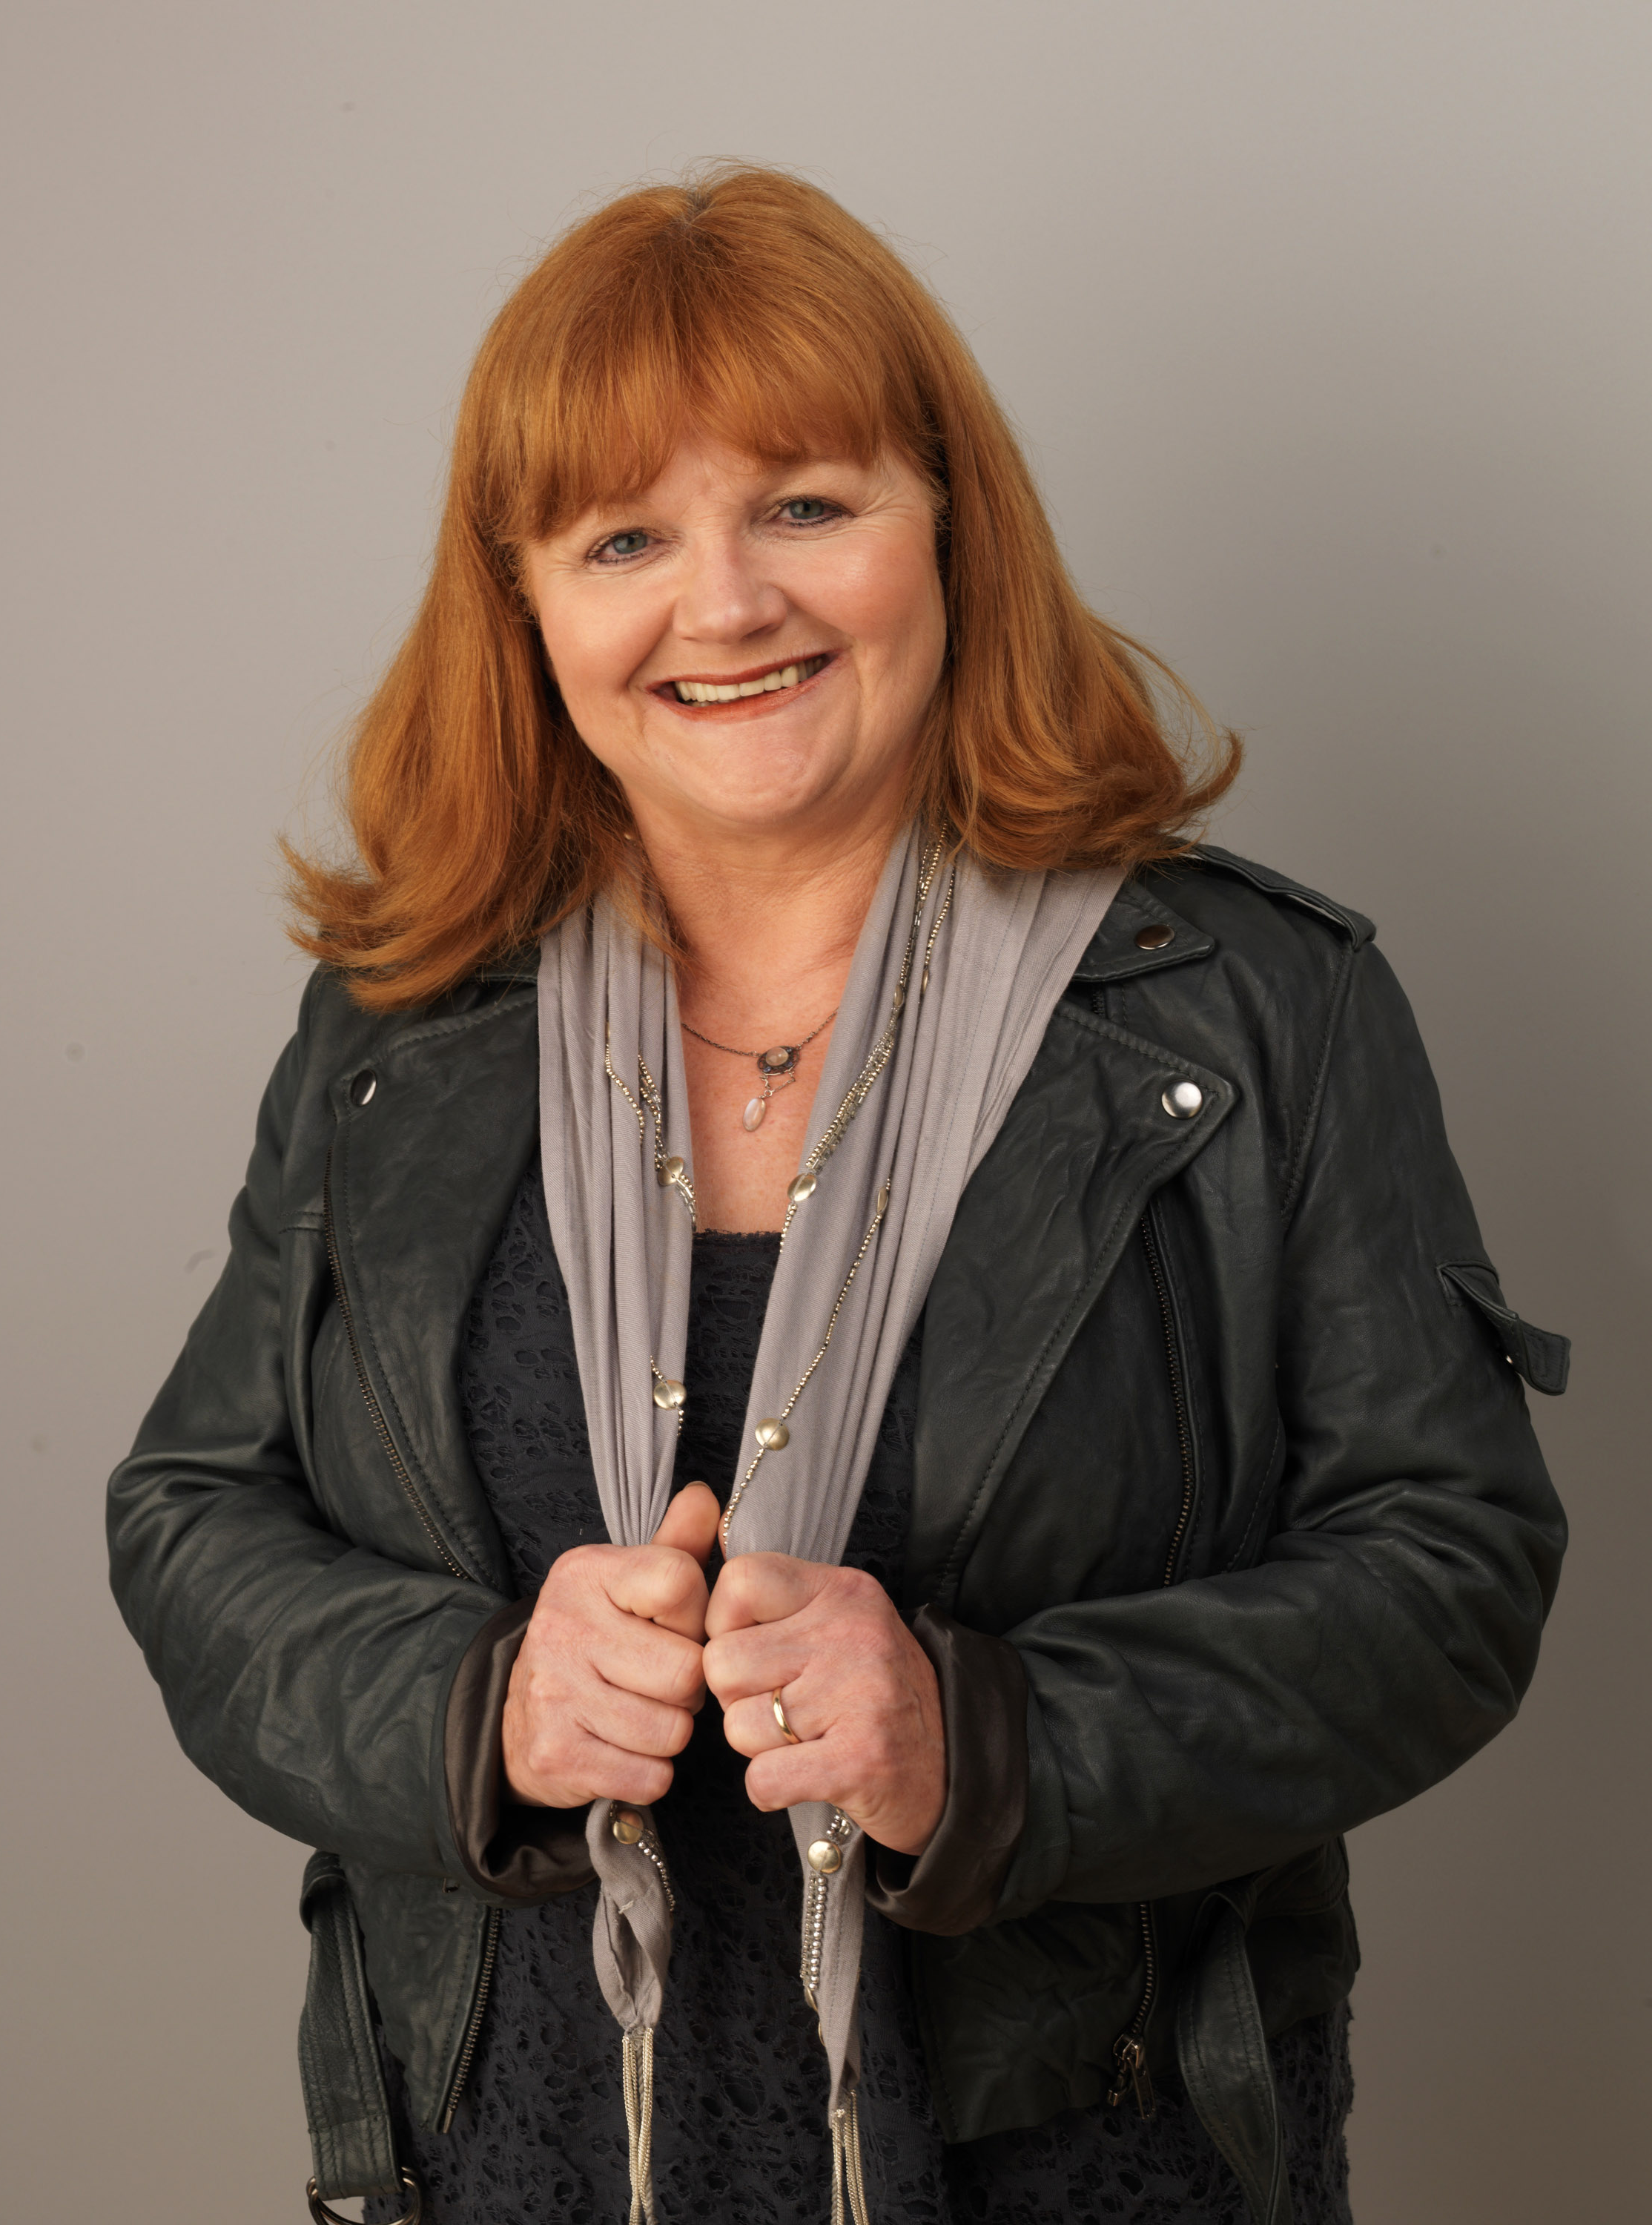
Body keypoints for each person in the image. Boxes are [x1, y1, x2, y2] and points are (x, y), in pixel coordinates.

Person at [107, 165, 1568, 2225]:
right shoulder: (397, 1028)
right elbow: (192, 1519)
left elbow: (1448, 1564)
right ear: (523, 604)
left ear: (944, 523)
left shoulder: (1254, 1009)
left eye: (805, 503)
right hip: (513, 2155)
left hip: (1089, 2166)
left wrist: (989, 1737)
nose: (723, 607)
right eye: (624, 538)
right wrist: (478, 1709)